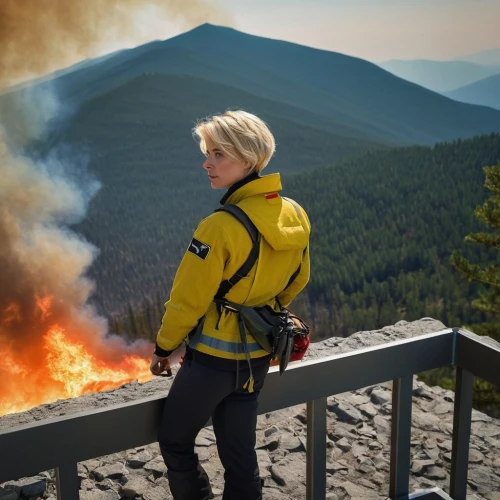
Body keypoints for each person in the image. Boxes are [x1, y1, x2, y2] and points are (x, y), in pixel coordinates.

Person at [150, 109, 311, 500]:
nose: (207, 162)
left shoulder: (219, 226)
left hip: (211, 362)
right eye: (209, 152)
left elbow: (188, 301)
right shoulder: (293, 213)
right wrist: (261, 310)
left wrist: (163, 349)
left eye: (219, 154)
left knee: (174, 441)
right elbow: (298, 280)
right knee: (239, 455)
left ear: (249, 159)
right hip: (257, 356)